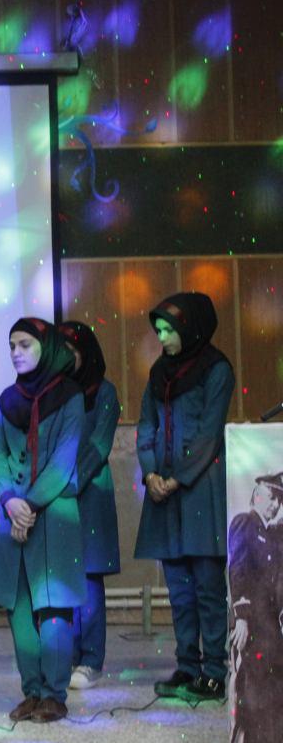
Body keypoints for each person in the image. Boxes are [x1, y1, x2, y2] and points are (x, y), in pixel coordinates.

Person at [0, 318, 85, 724]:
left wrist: (30, 504)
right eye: (12, 345)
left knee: (53, 605)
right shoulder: (10, 398)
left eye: (25, 344)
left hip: (52, 512)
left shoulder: (70, 396)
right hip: (10, 513)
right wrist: (10, 501)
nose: (16, 352)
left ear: (47, 347)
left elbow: (63, 459)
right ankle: (33, 690)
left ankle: (54, 694)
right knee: (18, 605)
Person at [134, 292, 235, 702]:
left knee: (208, 586)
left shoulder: (217, 368)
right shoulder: (160, 371)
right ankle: (187, 666)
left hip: (199, 488)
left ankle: (215, 671)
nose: (162, 338)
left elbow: (210, 432)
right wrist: (150, 473)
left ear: (191, 327)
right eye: (159, 330)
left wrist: (176, 478)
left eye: (169, 330)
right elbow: (146, 426)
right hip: (163, 490)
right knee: (178, 588)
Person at [58, 321, 121, 690]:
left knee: (89, 578)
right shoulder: (53, 392)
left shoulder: (104, 391)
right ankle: (66, 655)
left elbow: (99, 445)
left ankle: (91, 660)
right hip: (57, 495)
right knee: (62, 577)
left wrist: (68, 483)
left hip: (90, 491)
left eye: (72, 351)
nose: (66, 359)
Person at [229, 474, 283, 743]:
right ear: (256, 495)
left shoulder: (272, 534)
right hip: (252, 622)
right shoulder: (245, 523)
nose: (275, 504)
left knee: (271, 689)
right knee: (252, 688)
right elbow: (237, 569)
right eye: (270, 497)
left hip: (270, 626)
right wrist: (241, 616)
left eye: (279, 500)